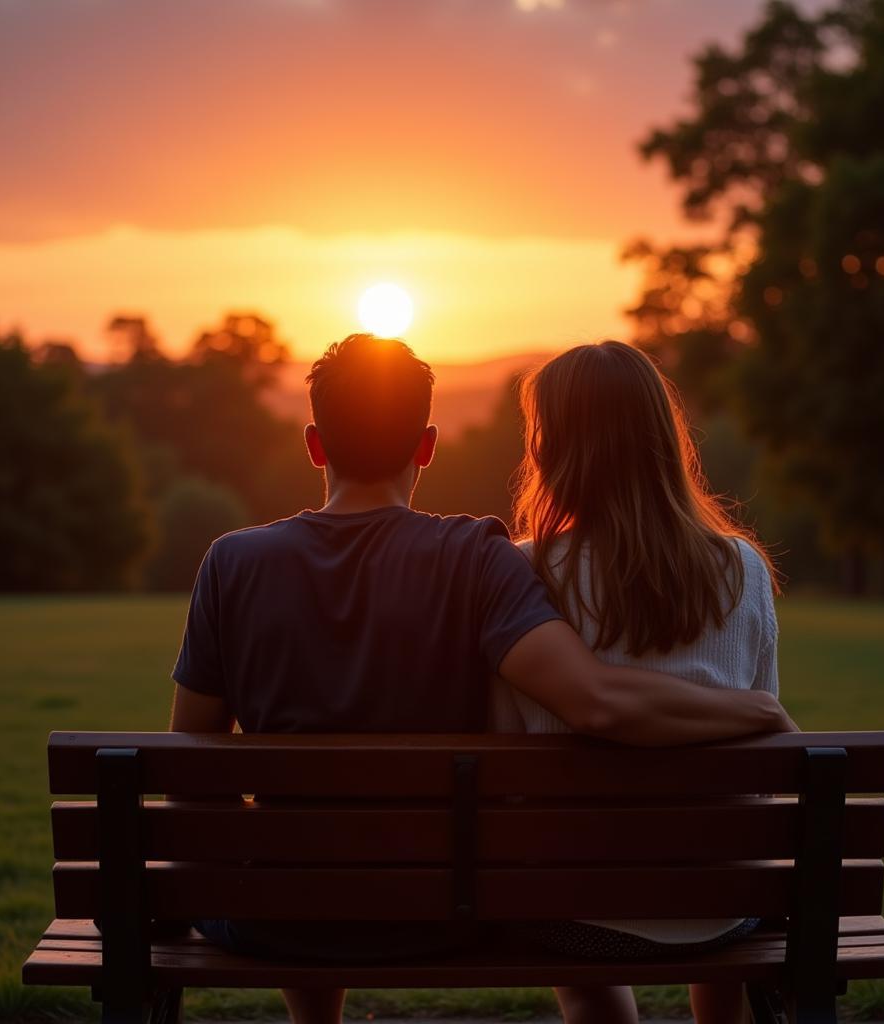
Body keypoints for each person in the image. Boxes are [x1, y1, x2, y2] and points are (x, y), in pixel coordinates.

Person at [169, 333, 795, 1024]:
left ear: (315, 444)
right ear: (427, 445)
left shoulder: (231, 563)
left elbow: (190, 766)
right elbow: (601, 703)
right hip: (446, 910)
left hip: (283, 917)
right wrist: (755, 711)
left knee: (301, 875)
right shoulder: (477, 557)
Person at [491, 340, 783, 1024]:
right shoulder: (742, 570)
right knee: (719, 898)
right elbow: (761, 759)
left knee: (578, 942)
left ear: (553, 447)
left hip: (575, 907)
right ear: (661, 439)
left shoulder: (523, 572)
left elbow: (502, 747)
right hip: (722, 902)